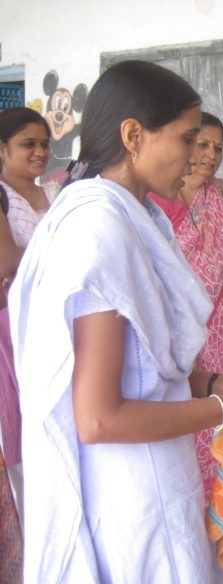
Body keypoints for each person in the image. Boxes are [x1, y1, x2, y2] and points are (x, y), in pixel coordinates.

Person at [8, 60, 223, 583]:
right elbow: (99, 418)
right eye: (187, 139)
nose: (198, 156)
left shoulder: (132, 217)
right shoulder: (97, 228)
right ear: (133, 135)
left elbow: (146, 367)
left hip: (155, 482)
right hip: (130, 498)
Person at [149, 111, 223, 503]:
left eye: (218, 147)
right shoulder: (160, 197)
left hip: (221, 322)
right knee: (186, 406)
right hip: (178, 325)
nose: (210, 154)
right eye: (203, 144)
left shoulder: (221, 192)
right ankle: (188, 495)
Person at [0, 106, 57, 514]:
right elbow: (5, 260)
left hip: (58, 325)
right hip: (15, 330)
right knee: (21, 425)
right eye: (28, 144)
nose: (39, 152)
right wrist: (63, 252)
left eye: (44, 144)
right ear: (2, 148)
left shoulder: (55, 192)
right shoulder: (2, 194)